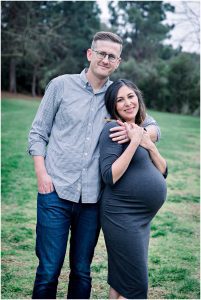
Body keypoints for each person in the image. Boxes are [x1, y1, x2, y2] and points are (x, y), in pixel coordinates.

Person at [28, 32, 160, 299]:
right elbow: (38, 133)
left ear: (118, 62)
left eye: (112, 56)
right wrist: (42, 174)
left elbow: (152, 123)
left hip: (92, 199)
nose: (105, 59)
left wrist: (142, 135)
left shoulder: (115, 96)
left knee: (81, 271)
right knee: (48, 270)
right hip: (55, 191)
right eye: (101, 53)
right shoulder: (61, 86)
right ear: (90, 54)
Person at [99, 79, 168, 299]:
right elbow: (109, 175)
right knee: (137, 286)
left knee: (121, 282)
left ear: (138, 97)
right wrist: (132, 143)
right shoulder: (113, 129)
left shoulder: (141, 130)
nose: (128, 103)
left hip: (141, 219)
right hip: (121, 215)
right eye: (120, 100)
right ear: (113, 106)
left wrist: (146, 142)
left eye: (130, 96)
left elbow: (163, 170)